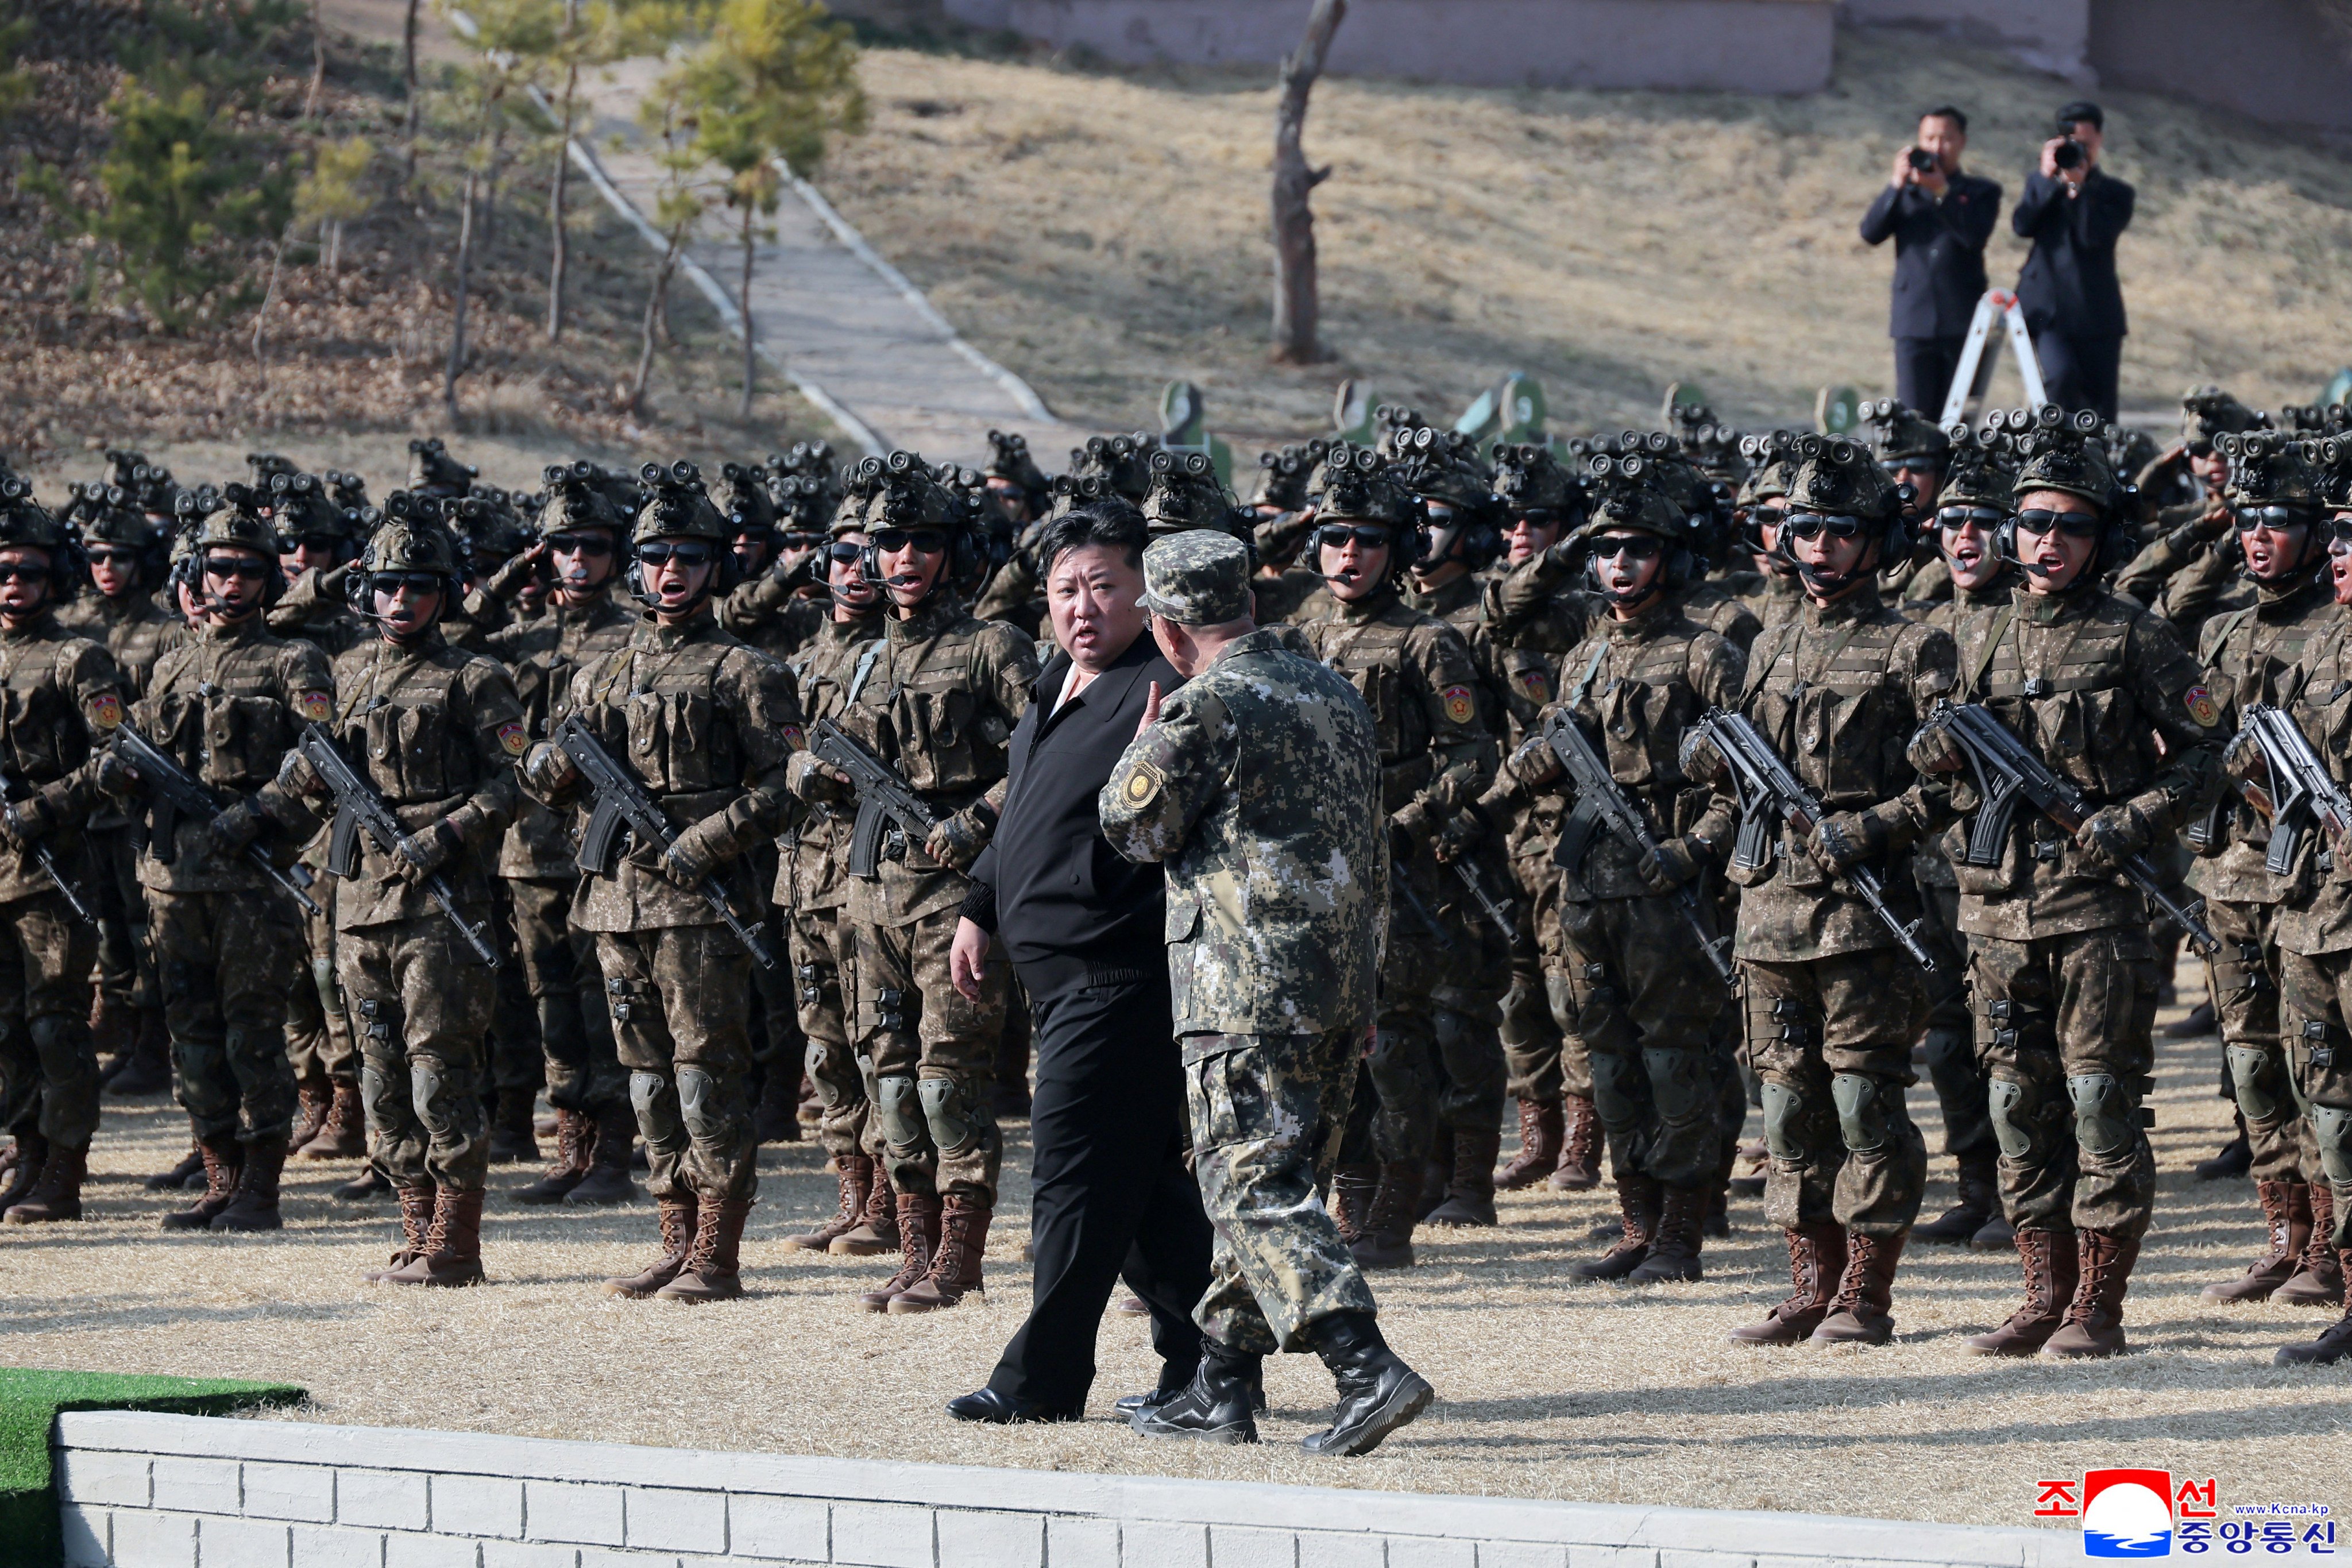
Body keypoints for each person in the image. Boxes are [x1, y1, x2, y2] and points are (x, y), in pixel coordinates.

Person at [1101, 528, 1432, 1457]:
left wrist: (1137, 755)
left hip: (1242, 984)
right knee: (1278, 1183)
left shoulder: (1210, 704)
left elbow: (1131, 827)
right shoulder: (1332, 693)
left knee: (1248, 1183)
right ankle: (1220, 1384)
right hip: (1335, 985)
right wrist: (1368, 985)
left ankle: (1366, 1366)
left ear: (1168, 628)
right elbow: (1375, 847)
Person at [1909, 411, 2222, 1358]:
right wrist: (1937, 750)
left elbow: (2210, 754)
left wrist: (2130, 818)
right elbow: (1928, 763)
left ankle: (2098, 1306)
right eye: (2035, 523)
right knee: (2017, 1103)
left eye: (2070, 526)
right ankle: (2040, 1293)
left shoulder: (2137, 637)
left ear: (2098, 538)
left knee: (2099, 1101)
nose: (2049, 542)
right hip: (1996, 913)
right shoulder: (1963, 636)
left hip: (2098, 914)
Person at [943, 498, 1214, 1424]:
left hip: (1119, 972)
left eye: (1104, 585)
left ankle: (1041, 1384)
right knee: (1143, 1192)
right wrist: (981, 906)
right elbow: (1028, 808)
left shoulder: (1161, 689)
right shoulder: (1057, 681)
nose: (1082, 606)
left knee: (1070, 1175)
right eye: (1064, 589)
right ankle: (1211, 1363)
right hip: (1050, 975)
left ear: (1148, 594)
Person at [1698, 435, 1957, 1347]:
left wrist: (1869, 826)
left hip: (1859, 911)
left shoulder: (1913, 645)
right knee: (1786, 1106)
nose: (1817, 547)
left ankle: (1864, 1292)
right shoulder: (1767, 643)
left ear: (1877, 540)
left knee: (1862, 1102)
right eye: (1802, 527)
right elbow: (1735, 776)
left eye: (1839, 531)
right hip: (1768, 912)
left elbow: (1951, 783)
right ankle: (1807, 1281)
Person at [523, 463, 802, 1302]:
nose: (669, 571)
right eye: (655, 555)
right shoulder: (598, 672)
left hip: (701, 909)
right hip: (615, 901)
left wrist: (708, 839)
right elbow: (544, 770)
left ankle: (717, 1251)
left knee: (705, 1071)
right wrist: (549, 764)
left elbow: (789, 783)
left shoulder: (745, 670)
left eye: (687, 555)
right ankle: (674, 1235)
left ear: (715, 566)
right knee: (646, 1075)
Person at [787, 455, 1038, 1314]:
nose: (898, 558)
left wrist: (975, 821)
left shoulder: (991, 646)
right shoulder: (859, 659)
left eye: (920, 542)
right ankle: (914, 1244)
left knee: (948, 1075)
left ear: (953, 552)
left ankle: (959, 1258)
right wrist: (810, 777)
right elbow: (815, 752)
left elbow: (1046, 750)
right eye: (886, 541)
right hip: (866, 893)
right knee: (886, 1074)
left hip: (954, 893)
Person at [1485, 462, 1741, 1283]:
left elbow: (1744, 785)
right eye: (1606, 550)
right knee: (1608, 1058)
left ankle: (1680, 1230)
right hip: (1588, 886)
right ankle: (1634, 1220)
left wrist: (1692, 851)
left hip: (1667, 890)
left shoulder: (1704, 654)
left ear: (1667, 557)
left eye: (1636, 549)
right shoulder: (1585, 655)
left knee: (1674, 1061)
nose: (1619, 563)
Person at [277, 515, 524, 1285]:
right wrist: (300, 784)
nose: (402, 598)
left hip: (438, 907)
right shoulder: (345, 674)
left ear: (444, 593)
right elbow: (306, 777)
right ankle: (415, 1226)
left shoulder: (474, 676)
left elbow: (517, 782)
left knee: (438, 1071)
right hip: (357, 908)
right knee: (380, 1079)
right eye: (387, 584)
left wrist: (444, 832)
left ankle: (455, 1241)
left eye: (419, 585)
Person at [99, 491, 336, 1234]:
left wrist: (262, 810)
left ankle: (260, 1188)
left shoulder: (294, 658)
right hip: (172, 880)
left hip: (252, 883)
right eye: (220, 568)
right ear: (198, 574)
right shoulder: (171, 664)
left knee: (251, 1030)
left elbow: (324, 758)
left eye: (249, 571)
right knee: (192, 1035)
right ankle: (217, 1176)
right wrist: (117, 773)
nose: (232, 583)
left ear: (270, 580)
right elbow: (123, 744)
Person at [1289, 447, 1496, 1268]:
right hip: (1310, 880)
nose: (1348, 553)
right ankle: (1349, 1201)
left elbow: (1472, 757)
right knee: (1324, 1050)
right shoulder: (1294, 636)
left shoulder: (1427, 641)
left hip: (1398, 878)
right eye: (1334, 536)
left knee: (1398, 1049)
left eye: (1367, 539)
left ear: (1396, 548)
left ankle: (1393, 1212)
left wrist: (1405, 825)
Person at [2188, 434, 2341, 1308]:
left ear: (2319, 532)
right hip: (2227, 878)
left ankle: (2327, 1242)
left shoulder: (2336, 629)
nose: (2256, 536)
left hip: (2305, 883)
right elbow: (2201, 731)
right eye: (2246, 519)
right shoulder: (2221, 628)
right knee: (2249, 1065)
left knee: (2312, 1062)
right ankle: (2280, 1234)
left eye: (2278, 520)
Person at [489, 470, 639, 1207]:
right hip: (528, 848)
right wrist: (516, 565)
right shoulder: (518, 640)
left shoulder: (631, 639)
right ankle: (570, 1147)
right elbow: (447, 629)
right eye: (563, 547)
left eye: (594, 546)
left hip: (602, 848)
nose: (579, 560)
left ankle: (613, 1151)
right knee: (548, 999)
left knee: (600, 998)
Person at [0, 482, 130, 1225]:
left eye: (28, 571)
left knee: (54, 1023)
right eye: (4, 571)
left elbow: (117, 758)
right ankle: (25, 1156)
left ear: (56, 578)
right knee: (5, 1027)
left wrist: (41, 807)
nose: (14, 585)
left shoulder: (78, 657)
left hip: (52, 870)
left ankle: (64, 1170)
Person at [1905, 427, 2021, 1253]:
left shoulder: (2031, 619)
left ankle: (2028, 1193)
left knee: (2014, 1035)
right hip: (1933, 862)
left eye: (1981, 522)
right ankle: (1974, 1184)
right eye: (1950, 523)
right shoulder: (1921, 627)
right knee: (1947, 1036)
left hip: (2018, 868)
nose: (1963, 539)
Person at [777, 481, 891, 1257]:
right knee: (823, 1044)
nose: (855, 569)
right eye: (841, 554)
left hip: (871, 875)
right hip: (802, 877)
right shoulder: (796, 657)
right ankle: (849, 1190)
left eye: (868, 554)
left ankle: (890, 1195)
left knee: (878, 1035)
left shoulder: (900, 652)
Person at [2266, 435, 2352, 1366]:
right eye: (2334, 539)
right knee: (2330, 1107)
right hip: (2311, 917)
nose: (2336, 554)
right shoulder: (2317, 641)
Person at [56, 482, 177, 1098]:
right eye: (98, 557)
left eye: (120, 557)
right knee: (105, 929)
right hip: (81, 803)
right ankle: (124, 1036)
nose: (107, 569)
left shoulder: (164, 632)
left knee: (142, 925)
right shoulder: (71, 627)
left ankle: (152, 1049)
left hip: (138, 801)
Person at [1859, 106, 2003, 414]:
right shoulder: (1905, 195)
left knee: (1954, 421)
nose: (1937, 148)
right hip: (1913, 318)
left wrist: (1942, 192)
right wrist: (1895, 185)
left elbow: (1973, 237)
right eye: (1930, 139)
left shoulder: (1982, 192)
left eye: (1946, 139)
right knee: (1914, 418)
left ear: (1962, 142)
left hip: (1962, 320)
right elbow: (1870, 233)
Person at [2013, 101, 2135, 422]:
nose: (2080, 151)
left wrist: (2079, 190)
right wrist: (2046, 176)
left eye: (2087, 144)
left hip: (2097, 315)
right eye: (2073, 144)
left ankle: (2098, 468)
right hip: (2047, 313)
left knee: (2101, 411)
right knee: (2061, 378)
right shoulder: (2042, 185)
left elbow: (2094, 238)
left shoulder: (2116, 193)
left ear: (2100, 141)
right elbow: (2022, 225)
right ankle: (2049, 453)